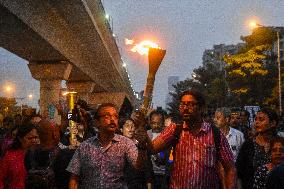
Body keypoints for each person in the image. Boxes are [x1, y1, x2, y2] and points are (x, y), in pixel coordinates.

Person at [138, 90, 236, 189]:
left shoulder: (215, 134)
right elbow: (152, 149)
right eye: (182, 104)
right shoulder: (175, 130)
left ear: (202, 108)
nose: (185, 108)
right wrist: (144, 138)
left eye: (190, 105)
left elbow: (230, 168)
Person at [67, 103, 139, 189]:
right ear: (97, 122)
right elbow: (74, 178)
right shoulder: (85, 146)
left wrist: (142, 146)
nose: (112, 120)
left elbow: (138, 166)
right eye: (107, 116)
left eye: (115, 116)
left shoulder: (126, 144)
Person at [236, 108, 279, 189]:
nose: (257, 122)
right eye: (255, 119)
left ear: (273, 123)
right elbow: (238, 173)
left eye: (261, 119)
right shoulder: (248, 145)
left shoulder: (280, 144)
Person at [0, 123, 39, 189]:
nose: (34, 140)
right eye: (30, 138)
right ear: (20, 139)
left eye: (36, 137)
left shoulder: (39, 152)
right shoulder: (10, 156)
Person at [121, 118, 153, 189]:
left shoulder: (141, 145)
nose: (131, 128)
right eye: (127, 126)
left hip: (140, 184)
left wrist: (149, 185)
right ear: (121, 129)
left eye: (133, 126)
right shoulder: (117, 146)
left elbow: (148, 168)